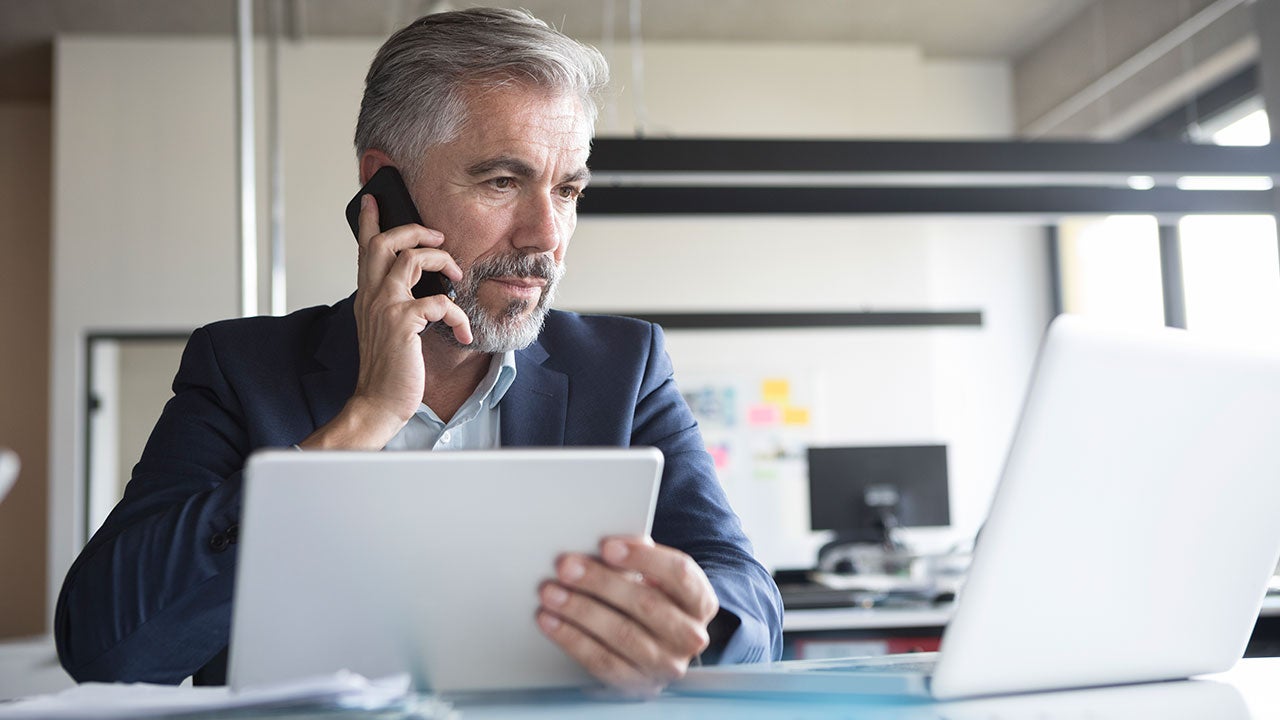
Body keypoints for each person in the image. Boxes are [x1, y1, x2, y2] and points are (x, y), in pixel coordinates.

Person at [55, 7, 782, 696]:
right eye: (503, 181)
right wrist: (364, 420)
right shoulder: (241, 369)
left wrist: (696, 625)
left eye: (566, 190)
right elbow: (108, 646)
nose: (545, 236)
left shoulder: (622, 368)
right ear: (384, 185)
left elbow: (751, 604)